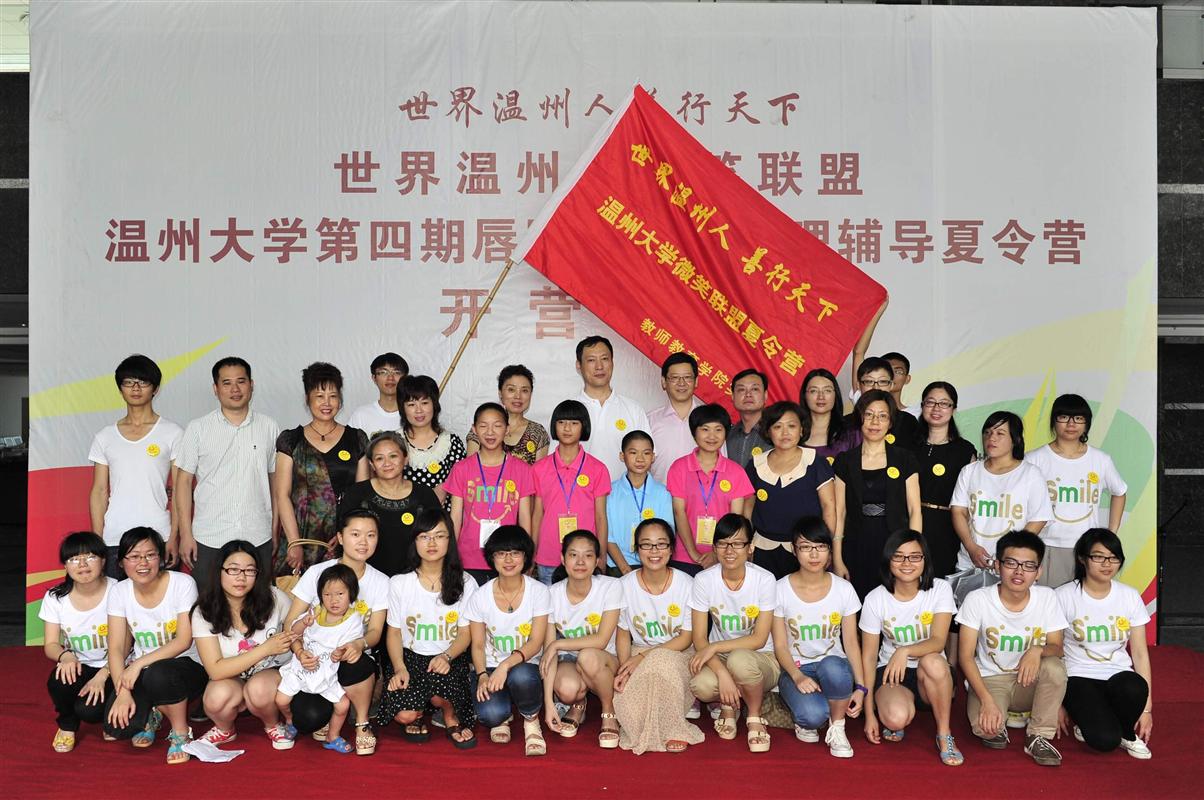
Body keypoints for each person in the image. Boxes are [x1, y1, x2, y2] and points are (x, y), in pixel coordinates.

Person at [957, 531, 1068, 767]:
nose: (1019, 572)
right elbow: (965, 657)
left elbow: (1057, 647)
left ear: (1038, 572)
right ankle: (1005, 714)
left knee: (1055, 667)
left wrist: (1036, 650)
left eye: (1028, 566)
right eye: (1011, 563)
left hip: (1030, 680)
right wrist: (986, 701)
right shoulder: (978, 599)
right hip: (991, 680)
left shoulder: (1047, 597)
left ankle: (1038, 735)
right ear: (998, 566)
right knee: (986, 730)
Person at [283, 508, 389, 755]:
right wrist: (299, 652)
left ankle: (362, 722)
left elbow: (375, 631)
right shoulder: (317, 573)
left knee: (358, 662)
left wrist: (359, 644)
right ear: (340, 538)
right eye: (355, 534)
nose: (363, 542)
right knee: (308, 718)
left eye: (371, 535)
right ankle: (332, 713)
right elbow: (289, 623)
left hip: (349, 657)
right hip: (314, 660)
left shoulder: (381, 581)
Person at [103, 527, 207, 765]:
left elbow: (183, 641)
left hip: (187, 665)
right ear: (121, 562)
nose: (143, 563)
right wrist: (123, 692)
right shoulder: (119, 591)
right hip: (144, 670)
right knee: (118, 726)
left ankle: (180, 732)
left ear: (161, 558)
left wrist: (137, 664)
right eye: (134, 556)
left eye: (150, 555)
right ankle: (154, 712)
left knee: (159, 674)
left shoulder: (182, 583)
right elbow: (116, 647)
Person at [174, 356, 279, 588]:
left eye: (241, 381)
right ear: (215, 388)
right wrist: (186, 534)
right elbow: (183, 484)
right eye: (227, 383)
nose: (235, 389)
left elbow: (275, 483)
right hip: (209, 536)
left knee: (258, 603)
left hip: (257, 534)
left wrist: (274, 529)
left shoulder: (269, 427)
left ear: (251, 385)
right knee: (208, 602)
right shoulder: (198, 428)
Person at [377, 508, 478, 750]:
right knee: (404, 715)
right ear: (415, 541)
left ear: (449, 540)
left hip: (449, 657)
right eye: (424, 536)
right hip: (409, 658)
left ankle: (449, 715)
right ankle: (419, 712)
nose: (431, 543)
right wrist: (399, 667)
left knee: (441, 693)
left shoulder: (466, 582)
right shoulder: (399, 583)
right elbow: (394, 632)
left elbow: (466, 633)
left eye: (439, 536)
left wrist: (447, 656)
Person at [858, 530, 960, 766]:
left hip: (930, 675)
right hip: (892, 674)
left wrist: (904, 650)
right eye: (899, 556)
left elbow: (938, 640)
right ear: (888, 560)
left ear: (925, 560)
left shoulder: (940, 589)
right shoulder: (875, 599)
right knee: (895, 718)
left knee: (933, 660)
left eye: (915, 556)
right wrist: (869, 714)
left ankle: (944, 734)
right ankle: (899, 710)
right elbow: (869, 657)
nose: (907, 563)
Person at [771, 517, 865, 758]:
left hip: (834, 668)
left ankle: (838, 727)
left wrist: (861, 687)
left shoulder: (843, 589)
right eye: (805, 547)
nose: (814, 554)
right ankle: (822, 708)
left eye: (820, 546)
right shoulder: (779, 589)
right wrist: (797, 676)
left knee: (833, 666)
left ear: (830, 550)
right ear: (794, 550)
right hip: (796, 669)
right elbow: (780, 645)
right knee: (812, 716)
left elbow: (851, 643)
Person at [1056, 529, 1153, 759]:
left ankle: (1128, 734)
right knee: (1104, 740)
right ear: (1082, 558)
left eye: (1113, 557)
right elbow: (1054, 651)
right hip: (1078, 676)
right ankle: (1090, 720)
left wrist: (1147, 709)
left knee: (1135, 686)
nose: (1107, 564)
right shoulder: (1063, 595)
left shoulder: (1129, 596)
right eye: (1099, 557)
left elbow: (1140, 653)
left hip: (1117, 675)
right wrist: (1055, 703)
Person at [191, 539, 296, 749]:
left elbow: (299, 629)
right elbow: (215, 670)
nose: (241, 577)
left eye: (249, 570)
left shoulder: (275, 598)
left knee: (258, 689)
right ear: (219, 571)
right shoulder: (204, 611)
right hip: (231, 676)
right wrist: (265, 649)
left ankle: (272, 724)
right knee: (215, 699)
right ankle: (225, 729)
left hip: (271, 672)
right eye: (233, 570)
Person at [688, 514, 779, 753]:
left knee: (740, 660)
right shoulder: (703, 580)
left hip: (762, 657)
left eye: (738, 543)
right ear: (714, 547)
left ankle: (754, 716)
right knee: (701, 685)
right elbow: (699, 639)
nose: (729, 550)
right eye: (723, 543)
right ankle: (729, 706)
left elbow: (759, 639)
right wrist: (722, 674)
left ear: (750, 548)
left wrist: (715, 647)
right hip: (722, 659)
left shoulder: (764, 579)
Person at [613, 518, 704, 753]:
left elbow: (686, 637)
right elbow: (622, 632)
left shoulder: (687, 584)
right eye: (646, 544)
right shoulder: (623, 585)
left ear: (671, 549)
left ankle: (674, 729)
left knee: (660, 662)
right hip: (636, 652)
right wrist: (625, 667)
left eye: (661, 544)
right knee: (629, 707)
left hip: (678, 653)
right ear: (637, 549)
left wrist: (643, 658)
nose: (654, 551)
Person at [89, 354, 183, 578]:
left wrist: (174, 537)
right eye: (129, 382)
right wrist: (98, 540)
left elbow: (181, 490)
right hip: (114, 537)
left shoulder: (173, 433)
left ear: (156, 388)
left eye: (143, 382)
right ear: (120, 389)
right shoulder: (105, 436)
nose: (136, 388)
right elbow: (99, 491)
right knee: (117, 599)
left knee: (160, 600)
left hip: (159, 535)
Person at [274, 362, 370, 575]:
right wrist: (294, 542)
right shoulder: (291, 440)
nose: (327, 403)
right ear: (307, 399)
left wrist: (347, 531)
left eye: (333, 396)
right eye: (319, 396)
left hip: (342, 539)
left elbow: (362, 494)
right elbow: (282, 495)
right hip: (300, 537)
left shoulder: (356, 439)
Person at [465, 525, 551, 757]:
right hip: (490, 667)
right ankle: (504, 715)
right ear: (492, 558)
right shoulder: (480, 596)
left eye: (515, 553)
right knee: (491, 715)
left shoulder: (539, 591)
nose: (509, 560)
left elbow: (536, 642)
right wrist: (482, 675)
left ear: (526, 556)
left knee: (521, 676)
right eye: (501, 553)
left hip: (526, 664)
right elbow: (478, 645)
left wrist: (505, 666)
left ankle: (531, 720)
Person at [1026, 394, 1127, 588]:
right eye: (1064, 417)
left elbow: (1119, 491)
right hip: (1047, 545)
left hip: (1088, 548)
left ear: (1087, 423)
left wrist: (1111, 533)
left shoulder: (1100, 459)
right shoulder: (1034, 459)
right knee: (1049, 602)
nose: (1071, 424)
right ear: (1054, 421)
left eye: (1078, 418)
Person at [833, 390, 922, 599]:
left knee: (893, 603)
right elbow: (839, 512)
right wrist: (837, 558)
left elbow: (914, 510)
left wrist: (913, 553)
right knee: (857, 602)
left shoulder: (904, 459)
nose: (875, 422)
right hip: (856, 543)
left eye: (882, 416)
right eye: (869, 414)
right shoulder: (845, 461)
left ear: (890, 422)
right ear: (860, 418)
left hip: (895, 544)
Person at [542, 531, 624, 748]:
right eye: (573, 555)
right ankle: (578, 703)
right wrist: (549, 703)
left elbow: (601, 640)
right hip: (570, 661)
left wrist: (558, 644)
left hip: (606, 660)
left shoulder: (610, 586)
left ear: (597, 561)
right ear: (562, 559)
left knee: (588, 656)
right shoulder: (551, 593)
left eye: (588, 556)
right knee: (566, 689)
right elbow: (549, 654)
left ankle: (609, 710)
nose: (580, 562)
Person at [950, 411, 1052, 582]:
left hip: (1013, 567)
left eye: (1000, 433)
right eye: (988, 432)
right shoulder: (970, 471)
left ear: (1015, 439)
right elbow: (958, 511)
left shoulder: (1030, 473)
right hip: (970, 562)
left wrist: (1010, 554)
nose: (992, 438)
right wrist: (971, 547)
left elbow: (1038, 519)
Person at [276, 564, 364, 754]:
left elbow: (350, 645)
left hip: (327, 672)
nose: (333, 600)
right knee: (281, 700)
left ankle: (333, 735)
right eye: (327, 594)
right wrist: (303, 623)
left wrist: (339, 654)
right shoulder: (315, 612)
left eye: (340, 594)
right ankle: (290, 721)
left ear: (352, 594)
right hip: (301, 668)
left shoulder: (353, 619)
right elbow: (293, 633)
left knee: (343, 705)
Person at [41, 532, 116, 753]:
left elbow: (127, 645)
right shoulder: (55, 597)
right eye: (74, 559)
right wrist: (66, 656)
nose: (82, 565)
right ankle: (67, 725)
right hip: (79, 665)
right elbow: (51, 644)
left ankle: (109, 713)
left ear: (103, 560)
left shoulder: (119, 591)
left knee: (90, 712)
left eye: (90, 557)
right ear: (65, 565)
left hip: (116, 666)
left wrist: (103, 674)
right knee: (58, 679)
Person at [743, 401, 837, 579]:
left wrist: (825, 548)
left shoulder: (816, 463)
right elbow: (747, 509)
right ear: (768, 431)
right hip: (762, 548)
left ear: (801, 430)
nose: (785, 432)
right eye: (777, 426)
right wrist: (746, 544)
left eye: (791, 426)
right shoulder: (755, 464)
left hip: (807, 551)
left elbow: (829, 508)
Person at [445, 402, 536, 584]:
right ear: (474, 429)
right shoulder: (461, 468)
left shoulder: (521, 469)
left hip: (507, 558)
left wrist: (527, 556)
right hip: (468, 557)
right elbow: (455, 517)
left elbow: (525, 517)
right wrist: (450, 555)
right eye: (483, 426)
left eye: (497, 426)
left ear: (507, 429)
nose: (490, 432)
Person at [338, 432, 441, 577]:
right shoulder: (357, 494)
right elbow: (344, 538)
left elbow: (439, 536)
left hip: (415, 578)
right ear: (372, 464)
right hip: (365, 577)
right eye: (379, 458)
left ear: (406, 458)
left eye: (393, 456)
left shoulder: (424, 494)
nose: (387, 463)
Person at [667, 404, 754, 575]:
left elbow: (735, 519)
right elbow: (679, 512)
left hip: (725, 556)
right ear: (694, 433)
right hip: (684, 556)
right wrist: (694, 554)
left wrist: (717, 554)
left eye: (718, 429)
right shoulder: (679, 467)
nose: (712, 436)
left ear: (725, 433)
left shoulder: (735, 471)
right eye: (705, 429)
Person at [531, 400, 611, 584]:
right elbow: (537, 515)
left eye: (574, 423)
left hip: (586, 557)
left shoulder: (597, 469)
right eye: (561, 422)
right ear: (554, 425)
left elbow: (601, 517)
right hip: (548, 556)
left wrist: (602, 554)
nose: (567, 428)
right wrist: (532, 553)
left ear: (584, 427)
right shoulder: (539, 468)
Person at [912, 382, 978, 579]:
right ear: (922, 406)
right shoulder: (908, 445)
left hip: (947, 527)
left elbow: (971, 498)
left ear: (953, 409)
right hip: (909, 522)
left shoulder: (964, 450)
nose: (936, 408)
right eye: (930, 402)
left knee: (940, 581)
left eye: (944, 403)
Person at [574, 335, 650, 481]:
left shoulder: (633, 410)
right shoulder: (568, 412)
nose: (599, 366)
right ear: (579, 365)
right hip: (579, 493)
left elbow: (646, 458)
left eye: (604, 359)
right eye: (591, 360)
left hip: (623, 493)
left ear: (612, 363)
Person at [606, 430, 674, 576]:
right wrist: (625, 569)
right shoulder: (609, 492)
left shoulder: (663, 493)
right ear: (622, 456)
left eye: (646, 453)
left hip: (654, 563)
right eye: (633, 453)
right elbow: (607, 536)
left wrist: (653, 564)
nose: (640, 459)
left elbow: (668, 533)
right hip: (618, 566)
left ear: (653, 457)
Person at [648, 353, 724, 482]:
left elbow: (723, 465)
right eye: (674, 378)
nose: (681, 383)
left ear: (696, 381)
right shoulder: (649, 421)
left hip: (704, 493)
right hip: (662, 494)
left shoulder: (712, 420)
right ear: (663, 382)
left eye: (687, 377)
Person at [400, 374, 466, 506]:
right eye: (411, 404)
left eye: (424, 403)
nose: (419, 410)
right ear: (402, 408)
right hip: (403, 514)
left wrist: (445, 487)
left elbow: (464, 477)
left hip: (443, 515)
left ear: (434, 405)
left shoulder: (450, 442)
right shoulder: (394, 441)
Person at [467, 364, 551, 465]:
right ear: (500, 393)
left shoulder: (537, 432)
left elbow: (539, 473)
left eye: (524, 390)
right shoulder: (483, 427)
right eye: (511, 389)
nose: (518, 396)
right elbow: (470, 469)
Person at [848, 357, 918, 450]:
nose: (876, 387)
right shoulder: (847, 423)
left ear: (891, 385)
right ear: (858, 385)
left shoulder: (907, 422)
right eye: (869, 382)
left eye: (882, 382)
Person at [800, 368, 860, 465]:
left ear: (835, 395)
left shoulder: (851, 433)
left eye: (827, 390)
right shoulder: (794, 432)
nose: (821, 397)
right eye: (814, 391)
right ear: (804, 395)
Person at [347, 352, 408, 437]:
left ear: (405, 377)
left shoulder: (415, 413)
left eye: (397, 372)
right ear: (374, 378)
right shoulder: (361, 415)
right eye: (383, 372)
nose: (390, 378)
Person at [726, 368, 771, 468]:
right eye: (741, 390)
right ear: (733, 396)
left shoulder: (775, 433)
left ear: (765, 395)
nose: (748, 394)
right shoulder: (726, 435)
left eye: (755, 389)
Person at [881, 351, 917, 418]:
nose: (892, 375)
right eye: (887, 370)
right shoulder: (865, 407)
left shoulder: (915, 414)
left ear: (907, 379)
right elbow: (859, 353)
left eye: (898, 372)